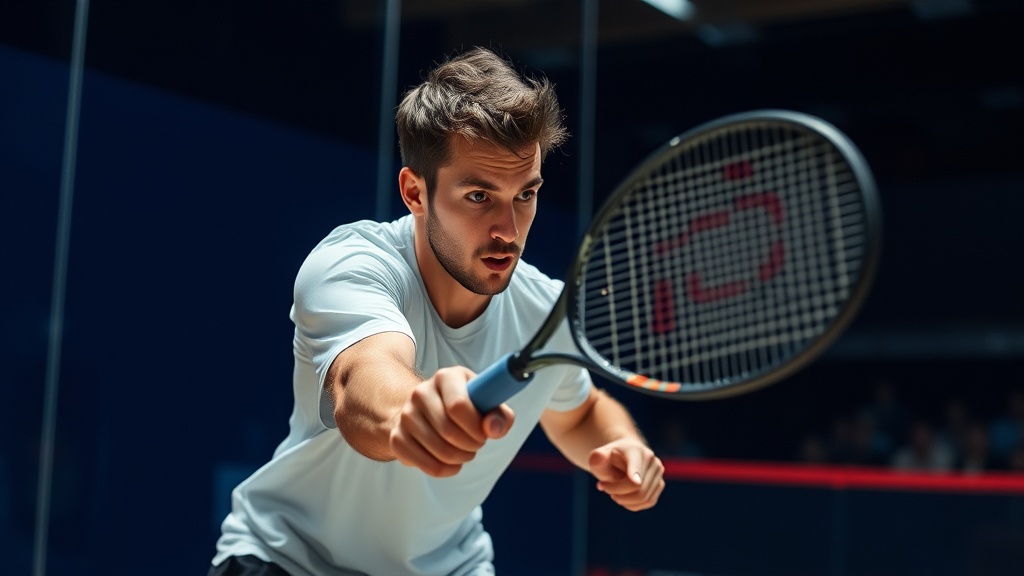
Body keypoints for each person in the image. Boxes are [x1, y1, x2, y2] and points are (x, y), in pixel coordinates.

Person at [208, 47, 665, 576]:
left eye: (525, 195)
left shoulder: (544, 310)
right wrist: (417, 412)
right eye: (479, 197)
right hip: (290, 558)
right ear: (415, 192)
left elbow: (580, 411)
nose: (508, 230)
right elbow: (361, 381)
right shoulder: (351, 265)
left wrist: (623, 447)